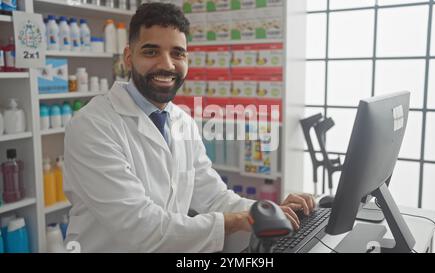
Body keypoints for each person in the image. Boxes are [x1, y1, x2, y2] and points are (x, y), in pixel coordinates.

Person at [63, 2, 315, 252]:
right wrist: (239, 220)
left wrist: (267, 211)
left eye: (177, 53)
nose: (167, 65)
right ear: (129, 57)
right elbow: (140, 227)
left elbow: (213, 196)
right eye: (151, 52)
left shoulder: (182, 121)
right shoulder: (92, 126)